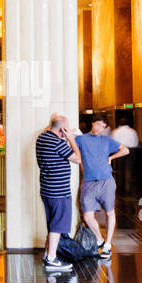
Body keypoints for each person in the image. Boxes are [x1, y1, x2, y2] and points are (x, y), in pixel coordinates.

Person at [76, 117, 128, 260]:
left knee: (110, 213)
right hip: (88, 182)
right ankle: (99, 240)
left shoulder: (107, 140)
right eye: (98, 124)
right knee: (87, 216)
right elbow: (73, 152)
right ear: (93, 123)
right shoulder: (81, 139)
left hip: (106, 181)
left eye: (103, 127)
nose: (100, 128)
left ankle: (107, 245)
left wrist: (112, 158)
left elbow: (125, 150)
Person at [35, 113, 81, 273]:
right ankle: (52, 259)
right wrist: (72, 140)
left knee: (53, 222)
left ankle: (48, 254)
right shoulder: (57, 143)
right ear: (62, 129)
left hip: (47, 188)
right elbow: (77, 158)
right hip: (58, 190)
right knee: (58, 224)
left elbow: (52, 127)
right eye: (66, 129)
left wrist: (59, 127)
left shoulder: (42, 138)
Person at [112, 114, 140, 193]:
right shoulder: (132, 131)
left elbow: (112, 143)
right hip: (131, 151)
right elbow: (136, 143)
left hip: (120, 150)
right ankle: (128, 188)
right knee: (129, 169)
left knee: (120, 169)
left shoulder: (115, 131)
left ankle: (120, 187)